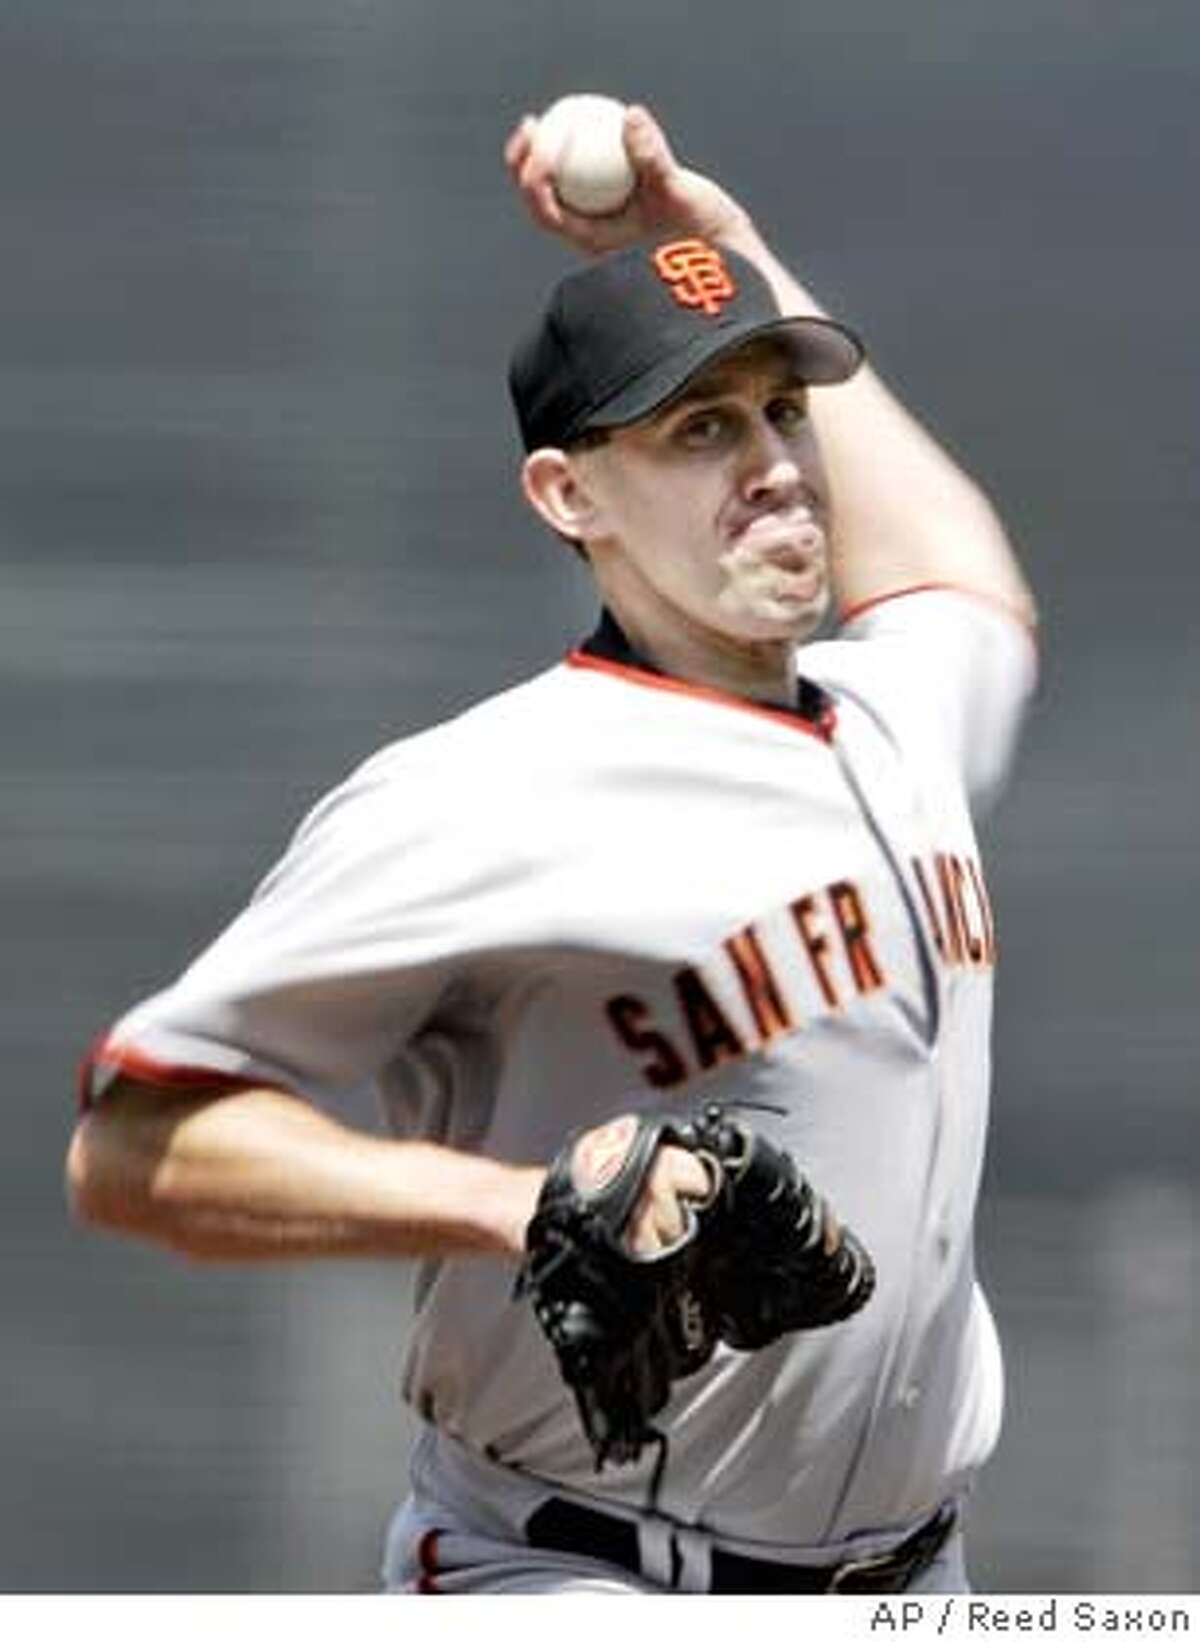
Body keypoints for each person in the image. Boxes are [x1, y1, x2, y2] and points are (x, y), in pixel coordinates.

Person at [66, 102, 1038, 1595]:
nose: (777, 462)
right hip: (584, 1575)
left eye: (786, 409)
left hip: (921, 1582)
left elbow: (965, 576)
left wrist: (715, 252)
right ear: (567, 495)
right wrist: (520, 1205)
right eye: (702, 427)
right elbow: (134, 1149)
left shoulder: (900, 710)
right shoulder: (485, 791)